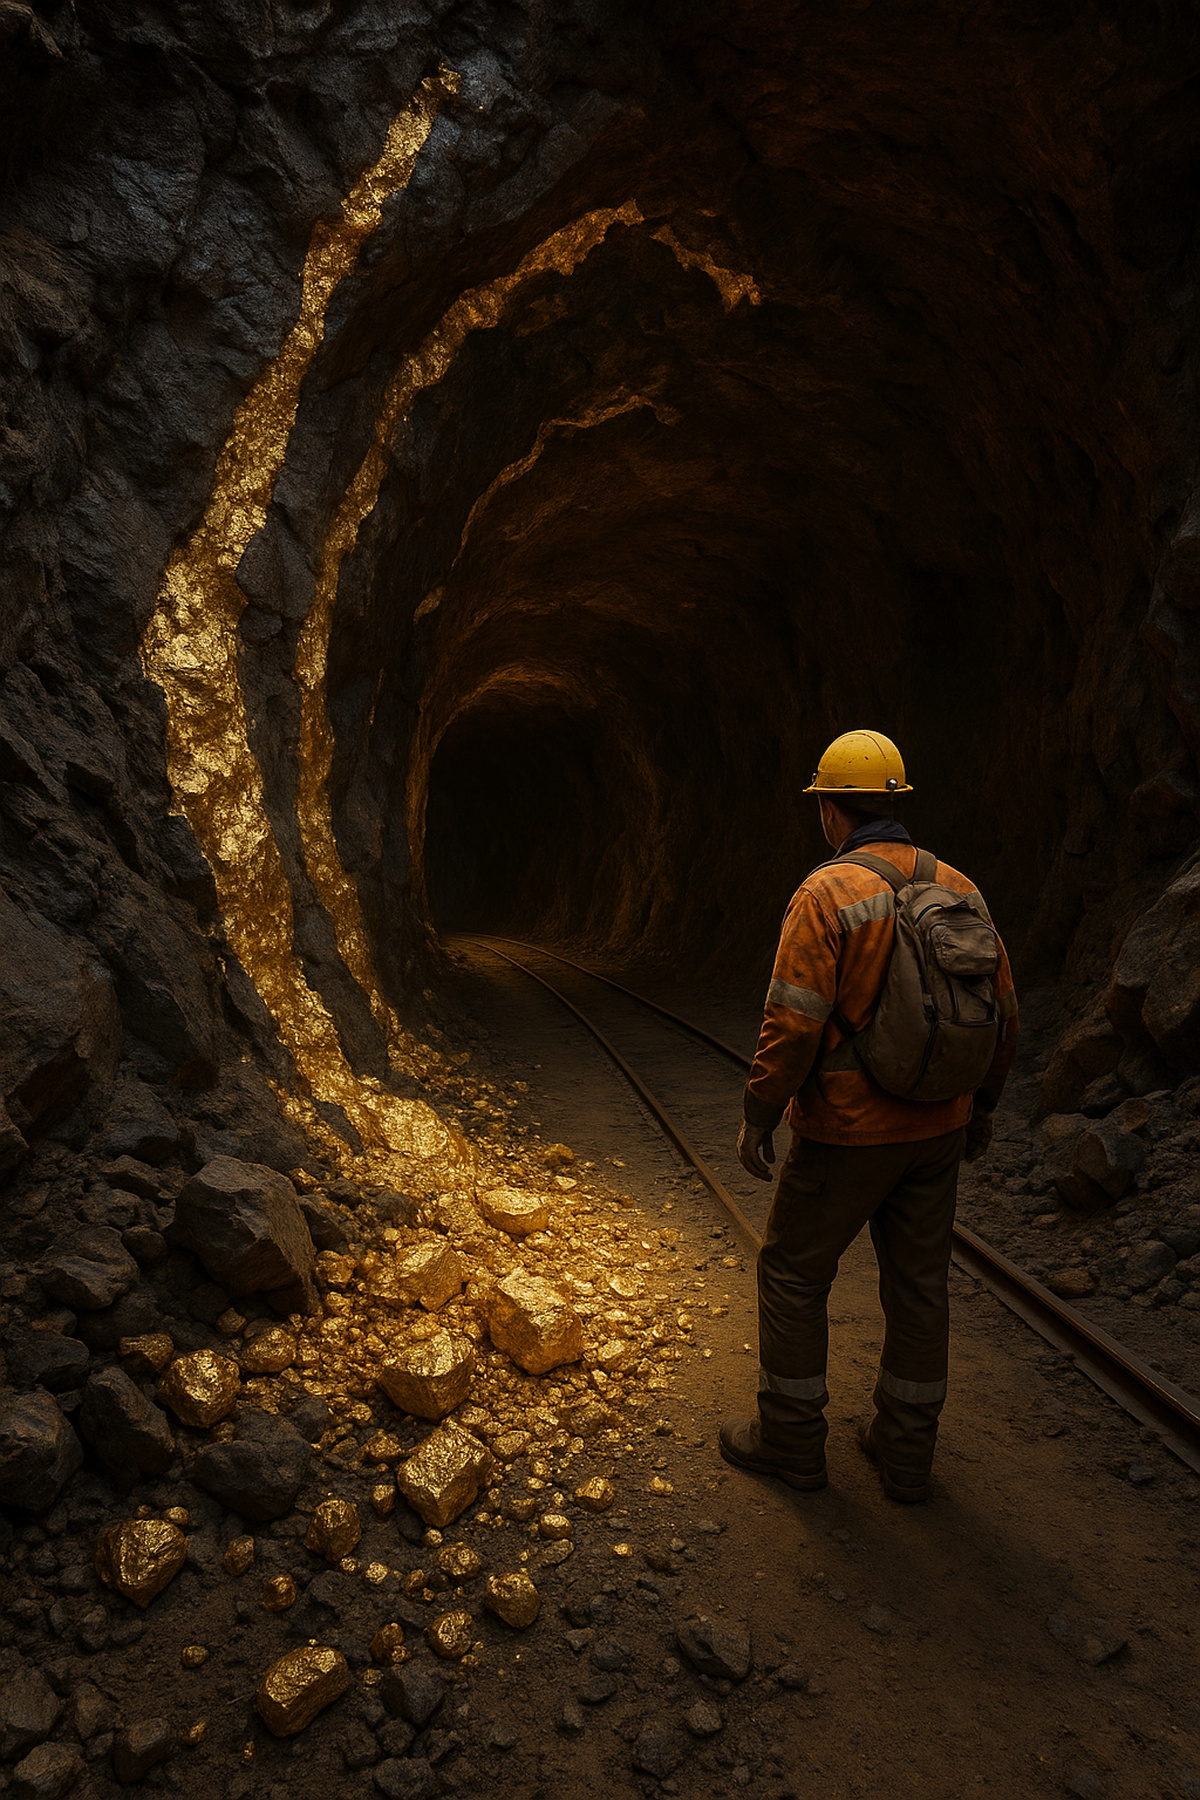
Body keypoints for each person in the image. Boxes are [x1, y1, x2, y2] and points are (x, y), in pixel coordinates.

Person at [721, 729, 1019, 1502]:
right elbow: (1003, 1015)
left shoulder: (828, 893)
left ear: (828, 809)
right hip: (938, 1128)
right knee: (919, 1288)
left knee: (791, 1273)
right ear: (896, 805)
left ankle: (790, 1442)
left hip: (848, 1132)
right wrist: (979, 1107)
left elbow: (793, 1021)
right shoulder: (961, 887)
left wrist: (761, 1112)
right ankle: (905, 1454)